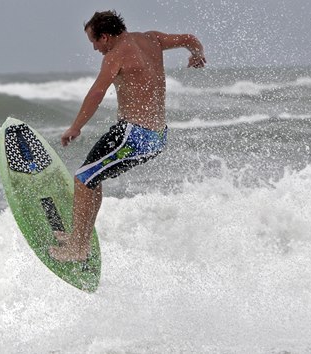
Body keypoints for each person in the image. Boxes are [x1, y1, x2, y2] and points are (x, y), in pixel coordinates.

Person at [48, 10, 206, 262]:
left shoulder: (115, 55)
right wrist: (197, 55)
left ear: (106, 37)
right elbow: (190, 38)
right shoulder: (152, 39)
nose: (94, 48)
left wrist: (76, 127)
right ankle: (81, 238)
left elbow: (97, 93)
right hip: (156, 137)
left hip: (133, 136)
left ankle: (78, 249)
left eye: (94, 42)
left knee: (82, 179)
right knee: (91, 178)